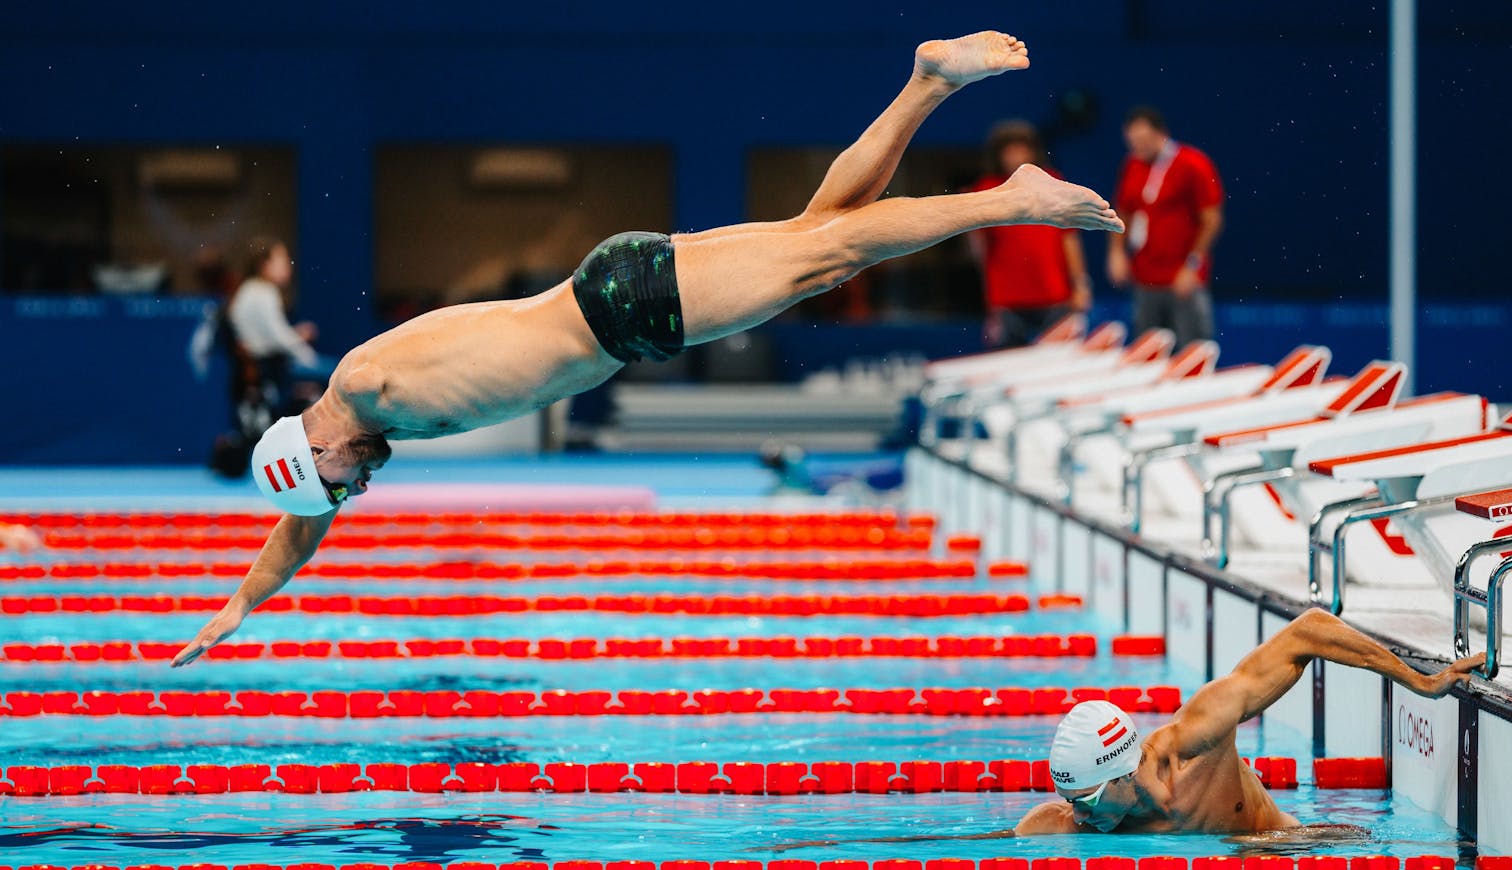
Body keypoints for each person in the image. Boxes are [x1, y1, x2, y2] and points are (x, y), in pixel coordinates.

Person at [170, 31, 1125, 669]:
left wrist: (1010, 208)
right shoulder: (354, 416)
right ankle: (927, 82)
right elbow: (303, 520)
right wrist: (241, 603)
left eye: (339, 483)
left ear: (317, 450)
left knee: (826, 251)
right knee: (822, 235)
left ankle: (1013, 197)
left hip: (621, 308)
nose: (354, 494)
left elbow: (310, 491)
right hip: (615, 299)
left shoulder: (365, 387)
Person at [769, 609, 1482, 851]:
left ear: (1121, 773)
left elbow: (1307, 632)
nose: (1077, 816)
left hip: (1286, 846)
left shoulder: (1197, 738)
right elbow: (957, 846)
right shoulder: (1065, 825)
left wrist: (1419, 681)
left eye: (1085, 801)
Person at [1106, 106, 1223, 351]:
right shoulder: (1132, 164)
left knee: (1192, 351)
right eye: (1133, 142)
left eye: (1144, 140)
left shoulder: (1193, 163)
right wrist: (1116, 252)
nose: (1139, 147)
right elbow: (1123, 211)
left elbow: (1211, 220)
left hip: (1182, 278)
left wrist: (1192, 266)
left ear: (1162, 134)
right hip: (1145, 277)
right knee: (1147, 351)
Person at [969, 121, 1092, 349]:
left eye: (1022, 148)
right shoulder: (986, 189)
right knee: (1009, 365)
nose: (1016, 155)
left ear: (1033, 151)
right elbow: (981, 252)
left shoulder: (1053, 181)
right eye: (1009, 150)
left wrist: (1080, 284)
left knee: (1058, 365)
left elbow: (1069, 238)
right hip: (1008, 300)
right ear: (999, 154)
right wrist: (991, 304)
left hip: (1055, 296)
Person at [227, 237, 325, 425]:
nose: (288, 266)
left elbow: (267, 334)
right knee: (333, 372)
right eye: (282, 260)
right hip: (269, 370)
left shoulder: (249, 290)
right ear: (264, 264)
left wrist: (294, 335)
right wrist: (309, 358)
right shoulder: (263, 293)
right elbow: (280, 338)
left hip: (264, 369)